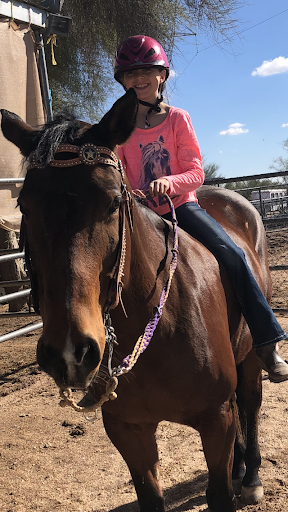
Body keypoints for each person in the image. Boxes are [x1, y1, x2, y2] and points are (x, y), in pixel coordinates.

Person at [113, 35, 288, 383]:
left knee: (231, 254)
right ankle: (102, 365)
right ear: (122, 80)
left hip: (180, 209)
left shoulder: (177, 119)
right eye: (130, 74)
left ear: (162, 75)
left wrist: (170, 183)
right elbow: (118, 168)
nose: (138, 79)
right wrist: (126, 190)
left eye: (146, 70)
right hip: (139, 214)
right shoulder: (119, 127)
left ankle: (267, 342)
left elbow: (196, 172)